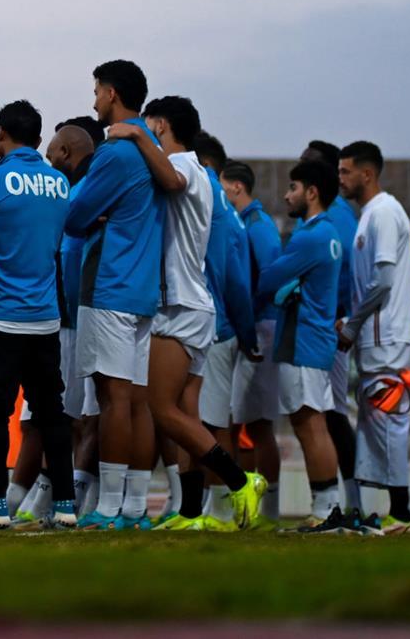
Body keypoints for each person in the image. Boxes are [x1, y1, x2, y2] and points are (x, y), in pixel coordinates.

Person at [110, 98, 265, 532]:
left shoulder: (185, 169)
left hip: (179, 306)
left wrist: (136, 135)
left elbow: (173, 183)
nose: (143, 127)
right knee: (185, 414)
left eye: (148, 123)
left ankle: (240, 480)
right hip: (195, 305)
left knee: (161, 410)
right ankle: (192, 512)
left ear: (160, 123)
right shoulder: (199, 171)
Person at [0, 100, 75, 530]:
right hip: (44, 316)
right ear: (40, 139)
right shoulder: (60, 184)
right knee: (51, 413)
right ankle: (65, 506)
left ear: (0, 134)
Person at [63, 60, 164, 530]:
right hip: (142, 287)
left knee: (112, 399)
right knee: (135, 400)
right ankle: (135, 506)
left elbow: (76, 215)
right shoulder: (150, 145)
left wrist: (91, 214)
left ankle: (108, 509)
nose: (94, 102)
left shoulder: (116, 151)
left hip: (110, 285)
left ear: (114, 93)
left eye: (98, 92)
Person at [255, 160, 344, 533]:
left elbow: (268, 278)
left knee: (310, 423)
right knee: (312, 421)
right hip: (314, 339)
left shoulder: (310, 236)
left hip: (304, 339)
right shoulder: (329, 232)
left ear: (311, 192)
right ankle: (327, 507)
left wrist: (278, 285)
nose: (286, 194)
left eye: (292, 187)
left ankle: (326, 510)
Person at [337, 141, 410, 535]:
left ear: (367, 174)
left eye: (345, 172)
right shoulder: (370, 215)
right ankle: (387, 511)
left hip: (387, 336)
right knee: (374, 422)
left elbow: (383, 279)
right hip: (375, 337)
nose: (341, 179)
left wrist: (352, 324)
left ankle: (401, 514)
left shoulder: (384, 212)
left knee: (388, 422)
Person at [191, 131, 258, 529]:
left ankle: (226, 507)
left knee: (214, 424)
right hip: (207, 326)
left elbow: (238, 284)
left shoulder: (221, 214)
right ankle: (199, 507)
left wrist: (245, 335)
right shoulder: (214, 209)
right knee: (199, 419)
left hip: (216, 329)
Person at [45, 117, 105, 517]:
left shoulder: (87, 189)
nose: (49, 167)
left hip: (88, 313)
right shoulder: (75, 189)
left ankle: (89, 498)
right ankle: (73, 496)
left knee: (89, 414)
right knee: (70, 413)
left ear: (66, 152)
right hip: (69, 315)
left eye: (51, 158)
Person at [221, 160, 284, 524]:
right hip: (254, 324)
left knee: (254, 423)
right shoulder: (247, 223)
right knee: (243, 422)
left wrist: (249, 306)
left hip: (260, 326)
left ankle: (268, 508)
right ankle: (251, 502)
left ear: (236, 188)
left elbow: (270, 276)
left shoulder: (258, 227)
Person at [300, 140, 361, 513]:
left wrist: (342, 322)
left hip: (330, 330)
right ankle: (341, 501)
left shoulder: (336, 218)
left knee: (332, 415)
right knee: (327, 414)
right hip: (326, 327)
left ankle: (347, 503)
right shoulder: (330, 214)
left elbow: (346, 275)